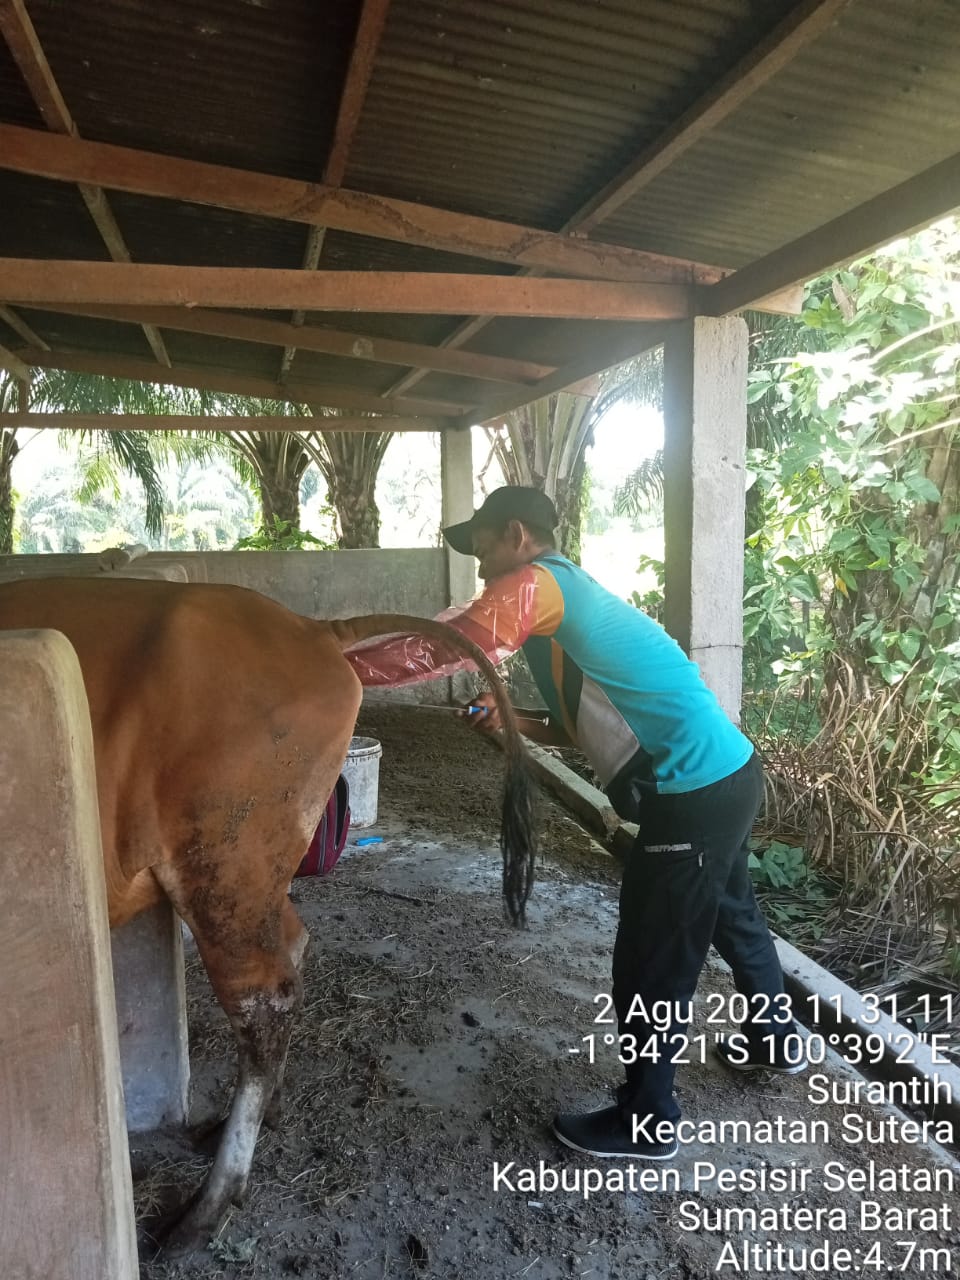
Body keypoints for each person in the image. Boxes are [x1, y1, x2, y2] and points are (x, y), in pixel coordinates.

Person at [346, 485, 804, 1161]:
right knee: (733, 914)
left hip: (694, 789)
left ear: (519, 536)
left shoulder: (537, 586)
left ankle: (647, 1121)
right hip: (727, 775)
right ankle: (776, 1040)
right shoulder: (565, 609)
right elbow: (574, 725)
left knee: (654, 955)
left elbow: (442, 648)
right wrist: (514, 723)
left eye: (483, 545)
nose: (478, 565)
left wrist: (329, 664)